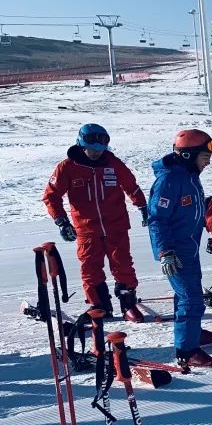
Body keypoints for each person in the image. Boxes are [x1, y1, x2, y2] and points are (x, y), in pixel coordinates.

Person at [43, 123, 149, 321]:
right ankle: (100, 305)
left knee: (123, 265)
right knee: (90, 268)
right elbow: (51, 196)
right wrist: (62, 221)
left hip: (116, 225)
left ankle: (128, 304)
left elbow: (131, 186)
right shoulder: (67, 167)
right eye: (91, 149)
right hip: (86, 229)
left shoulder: (113, 163)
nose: (96, 154)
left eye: (100, 150)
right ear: (81, 145)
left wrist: (142, 206)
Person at [147, 129, 212, 368]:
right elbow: (157, 219)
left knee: (187, 294)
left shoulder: (190, 175)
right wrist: (164, 251)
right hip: (175, 252)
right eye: (205, 154)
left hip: (189, 248)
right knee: (191, 299)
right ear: (188, 155)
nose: (209, 159)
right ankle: (186, 350)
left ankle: (192, 332)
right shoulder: (169, 180)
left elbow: (194, 211)